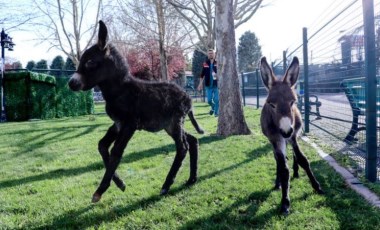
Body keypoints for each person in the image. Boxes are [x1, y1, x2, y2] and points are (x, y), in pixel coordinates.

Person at [197, 49, 219, 117]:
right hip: (208, 85)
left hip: (216, 85)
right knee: (209, 100)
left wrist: (218, 75)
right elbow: (202, 75)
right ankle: (213, 107)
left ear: (214, 54)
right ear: (208, 55)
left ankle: (216, 113)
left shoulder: (217, 63)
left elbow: (221, 72)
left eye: (212, 53)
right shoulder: (205, 63)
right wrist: (200, 84)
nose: (210, 54)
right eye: (209, 53)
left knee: (216, 99)